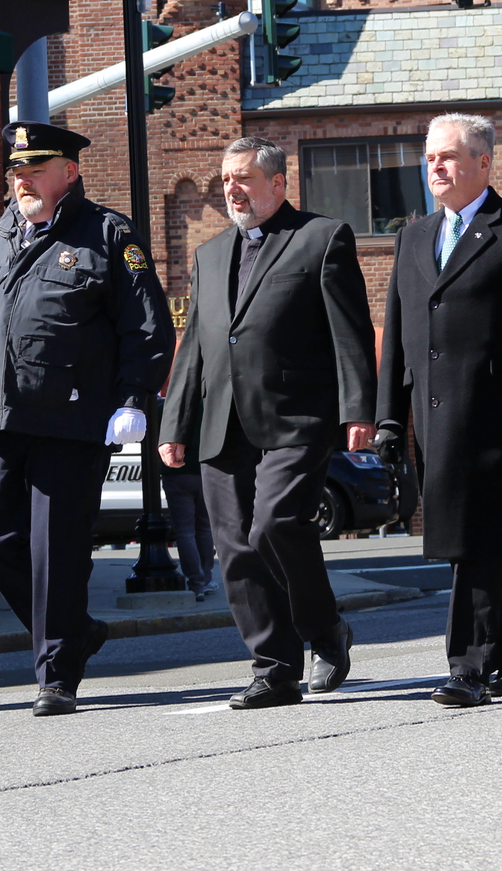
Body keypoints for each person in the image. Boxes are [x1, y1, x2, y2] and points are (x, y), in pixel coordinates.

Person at [0, 122, 175, 717]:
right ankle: (73, 630)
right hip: (0, 417)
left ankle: (57, 672)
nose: (21, 179)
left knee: (56, 547)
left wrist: (134, 399)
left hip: (71, 418)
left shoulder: (106, 233)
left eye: (34, 169)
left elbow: (146, 327)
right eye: (15, 170)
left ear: (69, 172)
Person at [159, 136, 377, 709]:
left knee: (275, 525)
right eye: (226, 180)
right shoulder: (208, 256)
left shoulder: (321, 238)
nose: (232, 189)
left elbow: (348, 332)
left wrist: (358, 410)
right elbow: (195, 350)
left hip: (296, 417)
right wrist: (173, 425)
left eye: (244, 179)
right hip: (220, 424)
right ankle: (273, 669)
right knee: (234, 548)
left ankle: (325, 630)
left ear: (277, 184)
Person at [376, 113, 502, 707]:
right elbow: (398, 333)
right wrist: (390, 414)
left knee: (473, 541)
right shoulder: (413, 238)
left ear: (483, 163)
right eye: (430, 157)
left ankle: (466, 668)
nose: (434, 167)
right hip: (436, 419)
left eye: (447, 156)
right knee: (473, 542)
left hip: (501, 415)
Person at [161, 450, 217, 603]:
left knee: (185, 532)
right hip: (205, 468)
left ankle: (196, 583)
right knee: (205, 528)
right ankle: (206, 579)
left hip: (175, 472)